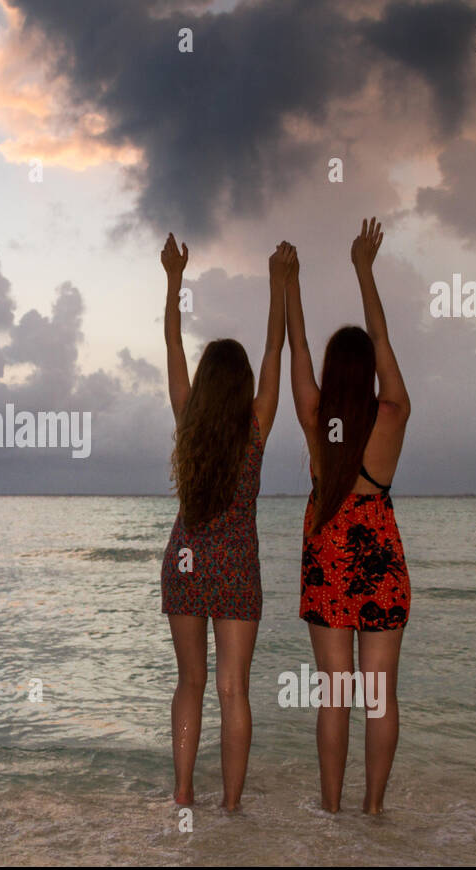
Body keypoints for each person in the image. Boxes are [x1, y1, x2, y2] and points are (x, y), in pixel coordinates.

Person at [159, 232, 290, 810]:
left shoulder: (188, 417)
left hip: (185, 563)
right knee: (233, 690)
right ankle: (232, 806)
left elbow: (172, 343)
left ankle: (184, 794)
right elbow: (273, 352)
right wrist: (279, 284)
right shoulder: (256, 427)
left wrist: (173, 280)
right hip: (236, 568)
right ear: (242, 388)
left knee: (190, 682)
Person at [287, 218, 411, 814]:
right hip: (380, 558)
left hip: (328, 561)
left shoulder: (316, 421)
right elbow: (382, 342)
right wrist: (365, 268)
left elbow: (300, 349)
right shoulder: (391, 417)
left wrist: (287, 285)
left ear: (334, 374)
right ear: (370, 373)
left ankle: (331, 813)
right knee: (380, 698)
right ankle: (374, 813)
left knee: (334, 696)